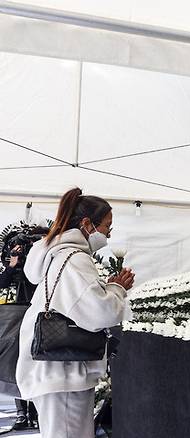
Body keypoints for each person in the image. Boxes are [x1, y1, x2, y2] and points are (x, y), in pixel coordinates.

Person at [16, 187, 135, 438]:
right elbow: (101, 312)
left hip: (53, 371)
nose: (108, 234)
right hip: (64, 373)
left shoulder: (57, 255)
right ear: (86, 224)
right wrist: (116, 288)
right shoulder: (74, 258)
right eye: (106, 226)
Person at [0, 244, 39, 430]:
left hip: (37, 314)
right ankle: (22, 412)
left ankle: (36, 410)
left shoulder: (40, 265)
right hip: (16, 317)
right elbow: (2, 283)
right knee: (18, 361)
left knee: (36, 360)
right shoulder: (11, 268)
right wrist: (11, 266)